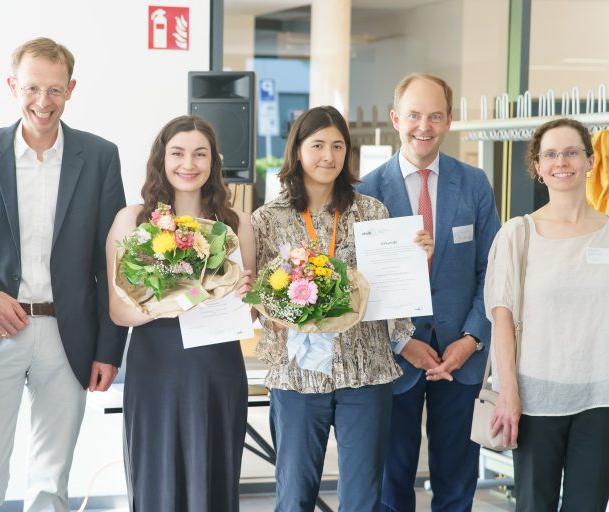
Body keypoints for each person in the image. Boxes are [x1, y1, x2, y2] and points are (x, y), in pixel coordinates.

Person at [0, 38, 128, 511]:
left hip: (68, 335)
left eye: (55, 90)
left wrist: (109, 349)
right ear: (12, 86)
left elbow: (112, 261)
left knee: (52, 478)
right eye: (31, 88)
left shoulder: (100, 156)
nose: (43, 102)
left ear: (71, 89)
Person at [252, 105, 432, 511]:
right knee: (294, 497)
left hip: (365, 371)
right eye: (317, 145)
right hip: (298, 375)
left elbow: (390, 292)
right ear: (297, 150)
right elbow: (259, 299)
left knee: (363, 498)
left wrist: (414, 261)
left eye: (338, 146)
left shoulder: (371, 211)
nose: (328, 156)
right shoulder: (267, 219)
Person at [357, 73, 500, 512]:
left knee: (457, 484)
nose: (424, 126)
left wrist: (472, 339)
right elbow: (358, 285)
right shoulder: (365, 191)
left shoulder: (474, 183)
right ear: (395, 118)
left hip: (461, 356)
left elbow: (492, 271)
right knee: (391, 485)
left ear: (449, 121)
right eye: (414, 115)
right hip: (393, 358)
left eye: (435, 116)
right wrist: (402, 341)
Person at [106, 115, 256, 512]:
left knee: (214, 477)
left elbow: (250, 313)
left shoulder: (236, 224)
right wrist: (175, 296)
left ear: (214, 162)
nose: (188, 164)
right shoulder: (132, 220)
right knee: (157, 477)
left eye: (200, 154)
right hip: (156, 367)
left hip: (217, 367)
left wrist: (248, 297)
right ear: (162, 159)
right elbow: (119, 311)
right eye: (177, 153)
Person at [486, 118, 609, 511]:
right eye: (551, 154)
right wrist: (508, 391)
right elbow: (502, 320)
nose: (562, 162)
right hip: (535, 398)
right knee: (533, 505)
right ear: (537, 166)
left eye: (572, 152)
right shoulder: (518, 234)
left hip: (601, 399)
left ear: (590, 160)